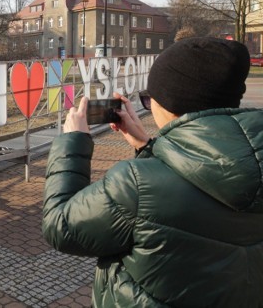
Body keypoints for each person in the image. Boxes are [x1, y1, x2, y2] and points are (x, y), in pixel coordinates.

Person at [41, 37, 263, 307]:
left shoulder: (134, 185)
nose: (148, 104)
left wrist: (72, 142)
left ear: (171, 106)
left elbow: (60, 225)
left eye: (149, 98)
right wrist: (147, 147)